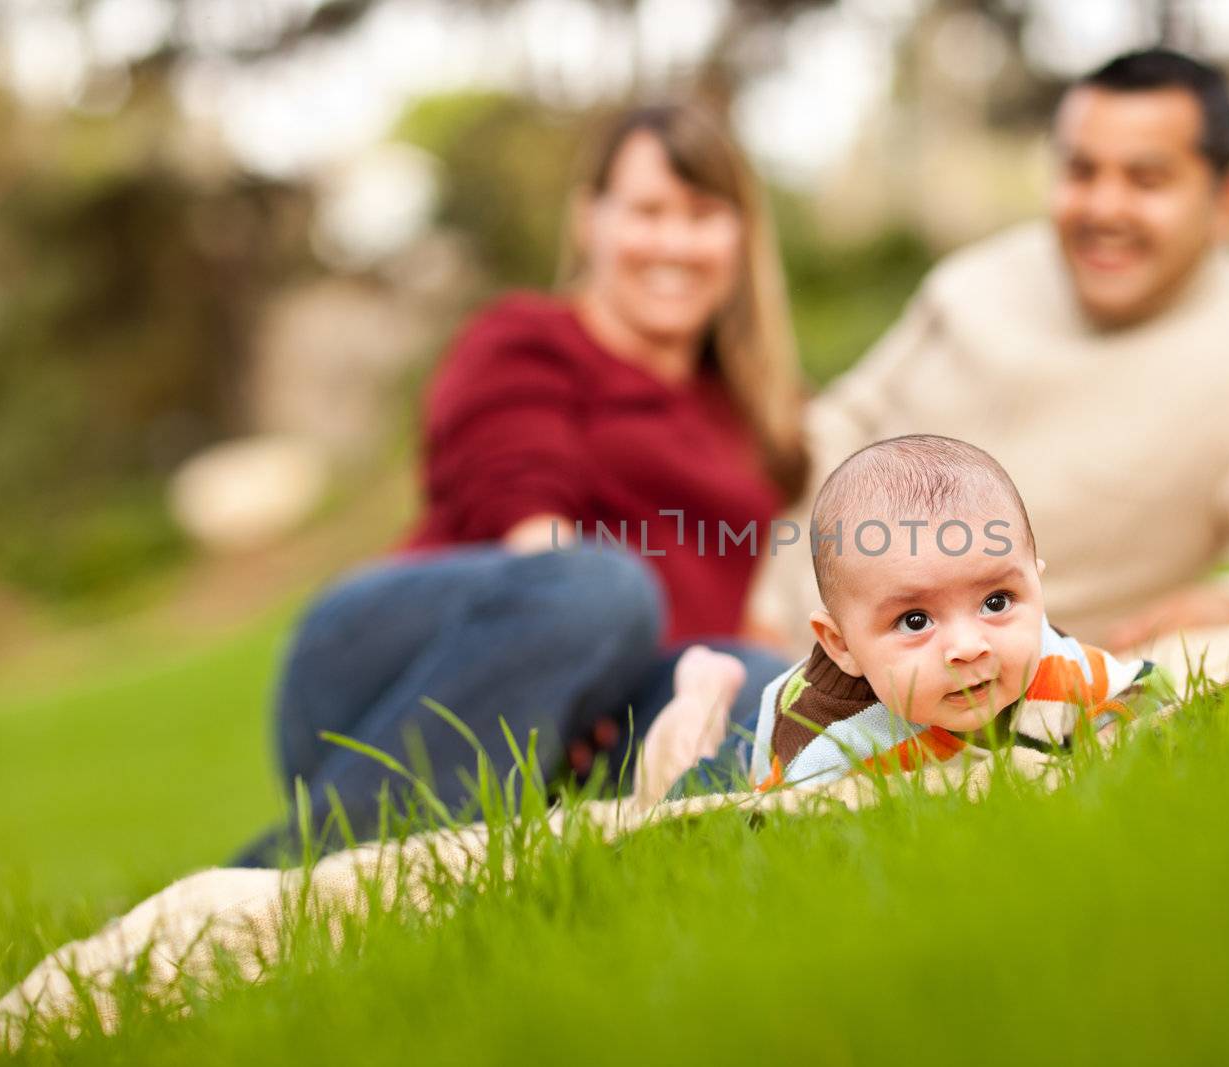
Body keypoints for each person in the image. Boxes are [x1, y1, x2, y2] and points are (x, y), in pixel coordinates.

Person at [236, 101, 808, 864]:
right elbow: (529, 521)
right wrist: (599, 660)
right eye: (647, 211)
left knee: (763, 685)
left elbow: (723, 603)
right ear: (588, 220)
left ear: (739, 237)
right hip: (395, 678)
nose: (673, 241)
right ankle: (283, 875)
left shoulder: (747, 415)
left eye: (702, 215)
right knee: (602, 588)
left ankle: (533, 856)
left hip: (581, 725)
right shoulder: (528, 340)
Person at [747, 48, 1229, 657]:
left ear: (1225, 202)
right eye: (1081, 171)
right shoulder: (975, 282)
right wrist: (763, 601)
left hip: (921, 691)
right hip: (757, 601)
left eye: (1146, 179)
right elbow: (837, 425)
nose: (1103, 207)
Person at [634, 436, 1174, 804]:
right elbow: (770, 833)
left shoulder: (1058, 667)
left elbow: (1147, 703)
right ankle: (695, 707)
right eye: (915, 620)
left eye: (996, 602)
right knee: (680, 793)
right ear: (840, 644)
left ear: (1036, 583)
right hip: (765, 740)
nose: (967, 647)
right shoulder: (826, 743)